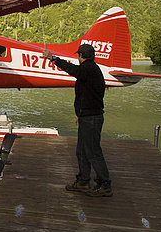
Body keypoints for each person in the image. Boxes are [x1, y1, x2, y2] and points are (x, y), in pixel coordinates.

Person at [43, 43, 112, 197]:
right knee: (81, 150)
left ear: (80, 56)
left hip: (91, 118)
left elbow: (73, 70)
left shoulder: (88, 69)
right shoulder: (91, 69)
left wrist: (53, 58)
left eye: (78, 55)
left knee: (93, 151)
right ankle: (83, 182)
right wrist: (81, 114)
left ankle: (105, 184)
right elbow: (89, 94)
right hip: (87, 116)